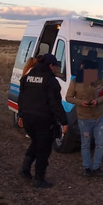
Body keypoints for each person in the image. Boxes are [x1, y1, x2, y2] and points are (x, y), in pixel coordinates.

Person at [17, 53, 68, 188]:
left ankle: (25, 169)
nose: (57, 69)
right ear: (50, 65)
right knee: (44, 149)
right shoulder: (50, 81)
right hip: (43, 120)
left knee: (35, 142)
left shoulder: (27, 77)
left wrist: (20, 115)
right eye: (56, 66)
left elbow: (21, 98)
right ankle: (39, 178)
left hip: (28, 119)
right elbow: (55, 104)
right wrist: (64, 121)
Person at [65, 59, 103, 178]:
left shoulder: (100, 80)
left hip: (98, 117)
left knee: (100, 143)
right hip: (84, 117)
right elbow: (68, 97)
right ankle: (87, 168)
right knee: (85, 143)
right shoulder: (75, 82)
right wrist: (81, 102)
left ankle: (96, 167)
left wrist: (98, 101)